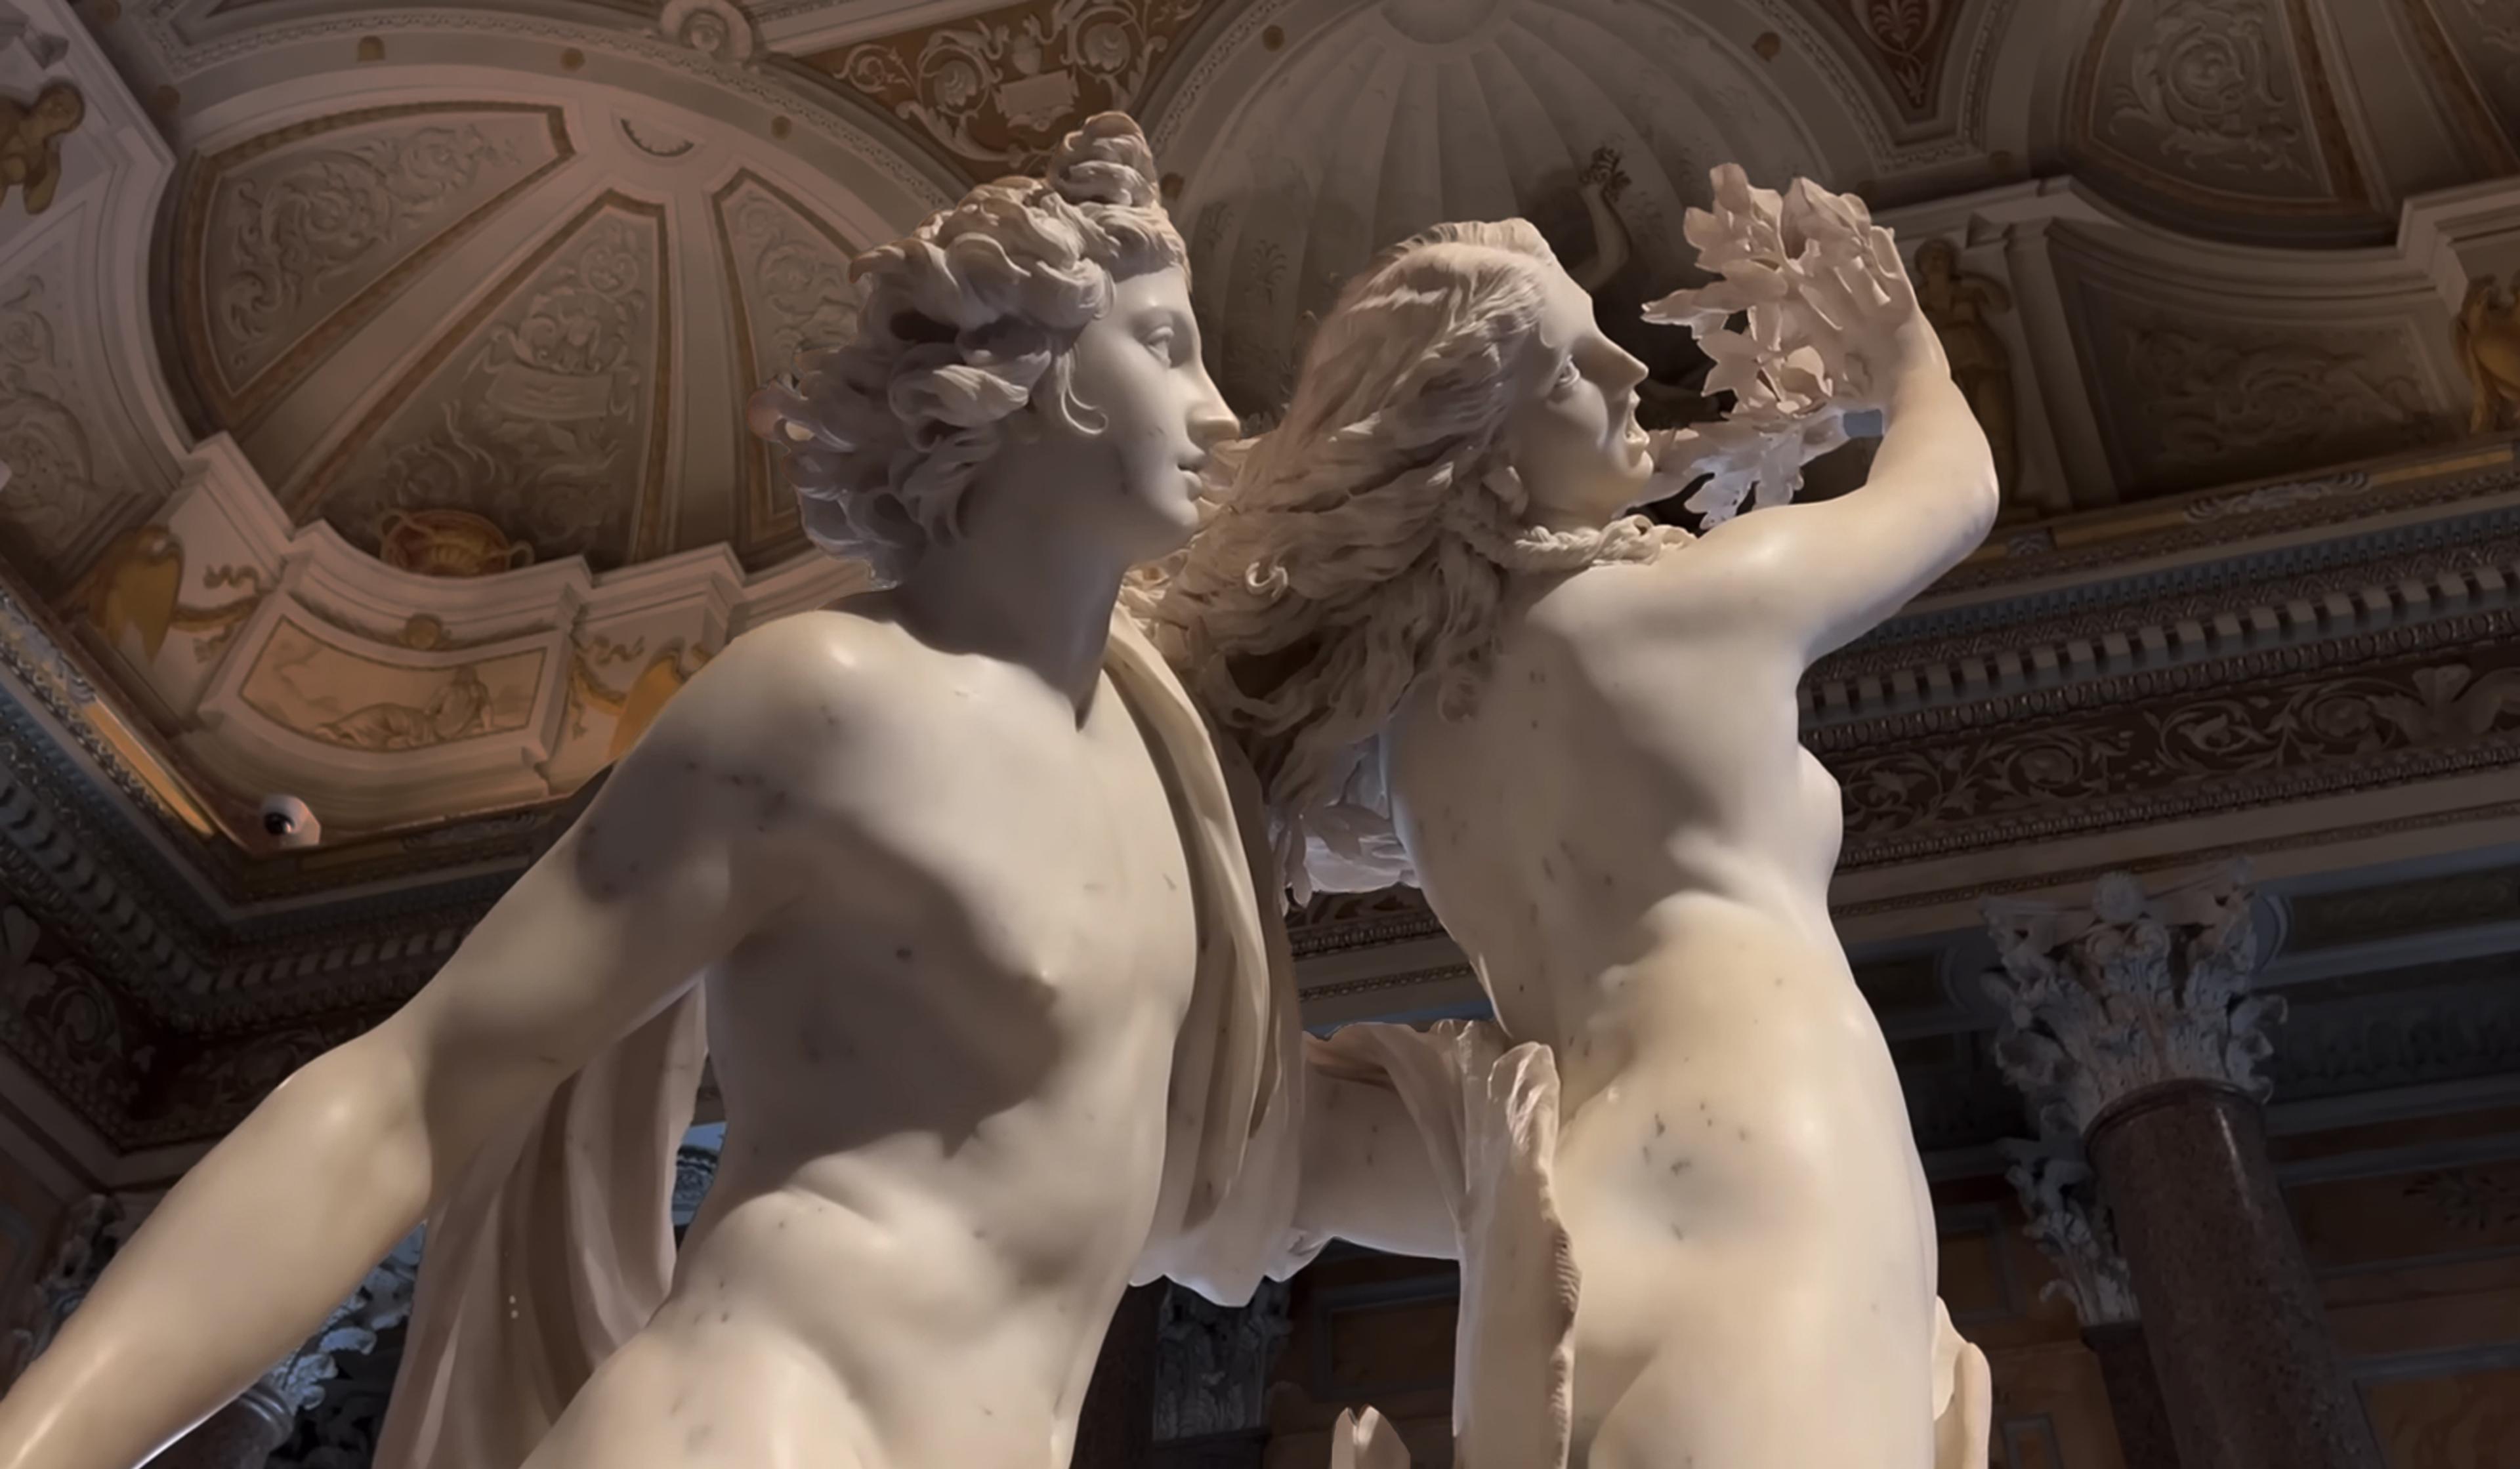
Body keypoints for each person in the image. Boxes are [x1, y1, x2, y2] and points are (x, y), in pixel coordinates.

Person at [0, 113, 1440, 1469]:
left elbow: (1285, 1173)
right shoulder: (828, 700)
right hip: (751, 1424)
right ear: (1030, 371)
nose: (1221, 413)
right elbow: (411, 1088)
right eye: (1170, 349)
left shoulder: (1177, 775)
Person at [1154, 185, 1998, 1467]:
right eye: (1572, 355)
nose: (1621, 366)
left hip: (1568, 1221)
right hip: (1771, 1165)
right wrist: (1906, 352)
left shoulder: (1415, 731)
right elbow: (1953, 489)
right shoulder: (1684, 612)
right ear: (1481, 430)